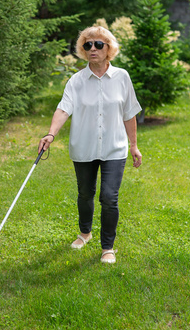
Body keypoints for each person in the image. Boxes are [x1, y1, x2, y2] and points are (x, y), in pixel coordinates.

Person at [38, 26, 142, 264]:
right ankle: (85, 233)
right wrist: (51, 134)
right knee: (85, 193)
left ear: (109, 49)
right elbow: (64, 108)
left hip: (115, 148)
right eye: (87, 45)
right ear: (83, 50)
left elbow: (129, 113)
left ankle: (108, 247)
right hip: (84, 147)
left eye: (98, 44)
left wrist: (133, 146)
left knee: (109, 197)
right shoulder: (76, 81)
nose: (92, 49)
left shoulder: (122, 77)